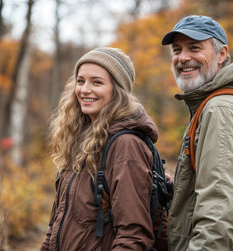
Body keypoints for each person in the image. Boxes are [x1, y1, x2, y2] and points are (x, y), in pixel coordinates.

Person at [161, 15, 233, 250]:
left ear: (221, 54)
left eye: (194, 47)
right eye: (177, 50)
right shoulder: (211, 105)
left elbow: (219, 214)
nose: (183, 57)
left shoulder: (222, 110)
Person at [41, 47, 158, 250]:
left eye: (97, 82)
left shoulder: (126, 146)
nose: (85, 89)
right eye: (80, 81)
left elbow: (133, 237)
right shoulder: (80, 141)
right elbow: (55, 225)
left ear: (117, 91)